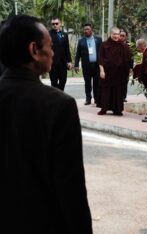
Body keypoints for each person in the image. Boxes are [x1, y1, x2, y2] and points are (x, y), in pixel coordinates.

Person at [0, 15, 92, 234]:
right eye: (49, 46)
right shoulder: (59, 105)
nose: (52, 52)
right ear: (34, 50)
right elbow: (70, 187)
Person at [97, 26, 132, 116]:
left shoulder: (123, 46)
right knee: (106, 91)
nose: (116, 36)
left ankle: (117, 110)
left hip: (119, 74)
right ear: (110, 34)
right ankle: (104, 108)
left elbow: (128, 59)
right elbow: (100, 59)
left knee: (118, 92)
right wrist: (102, 71)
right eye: (114, 34)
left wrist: (129, 70)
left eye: (118, 34)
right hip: (107, 73)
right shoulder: (104, 45)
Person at [75, 23, 102, 105]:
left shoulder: (98, 40)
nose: (86, 31)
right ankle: (88, 99)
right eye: (85, 29)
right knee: (87, 83)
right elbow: (78, 54)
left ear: (91, 30)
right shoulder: (81, 41)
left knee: (96, 83)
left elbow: (102, 52)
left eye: (87, 29)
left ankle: (97, 99)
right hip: (86, 66)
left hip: (96, 65)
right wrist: (76, 65)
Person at [49, 17, 72, 91]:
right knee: (54, 83)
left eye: (56, 23)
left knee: (63, 81)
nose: (55, 25)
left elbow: (67, 49)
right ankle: (56, 99)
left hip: (63, 63)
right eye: (53, 24)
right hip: (53, 64)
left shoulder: (64, 35)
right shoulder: (48, 34)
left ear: (60, 24)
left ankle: (60, 94)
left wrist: (69, 61)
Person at [119, 29, 133, 102]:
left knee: (125, 82)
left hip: (126, 67)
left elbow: (132, 58)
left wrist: (131, 68)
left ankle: (123, 97)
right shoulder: (116, 44)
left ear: (126, 37)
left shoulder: (130, 45)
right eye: (120, 35)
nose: (121, 37)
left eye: (123, 36)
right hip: (117, 68)